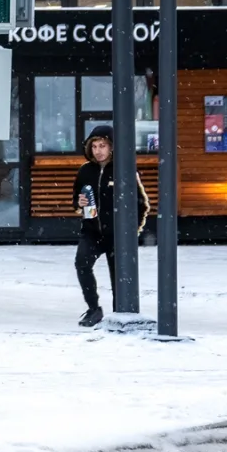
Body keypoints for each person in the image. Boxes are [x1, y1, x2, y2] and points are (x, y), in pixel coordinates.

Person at [72, 123, 150, 328]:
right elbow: (76, 199)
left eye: (102, 146)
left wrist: (132, 231)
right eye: (95, 146)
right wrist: (78, 204)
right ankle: (93, 309)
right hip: (91, 232)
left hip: (118, 235)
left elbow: (141, 203)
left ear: (112, 147)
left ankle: (120, 312)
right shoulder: (85, 171)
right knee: (82, 263)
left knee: (119, 276)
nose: (98, 151)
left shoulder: (124, 170)